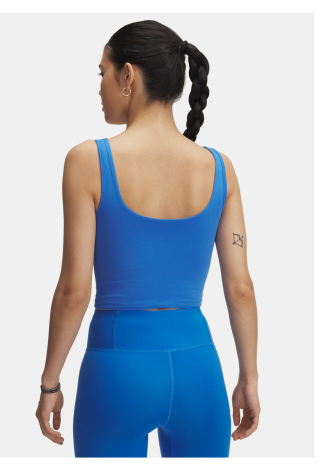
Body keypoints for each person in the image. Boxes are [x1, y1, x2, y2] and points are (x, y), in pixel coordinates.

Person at [35, 19, 260, 458]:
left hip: (117, 370)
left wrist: (50, 383)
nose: (99, 86)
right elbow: (240, 287)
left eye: (102, 72)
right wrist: (249, 379)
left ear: (128, 76)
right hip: (199, 369)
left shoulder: (88, 161)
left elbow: (74, 291)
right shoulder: (220, 168)